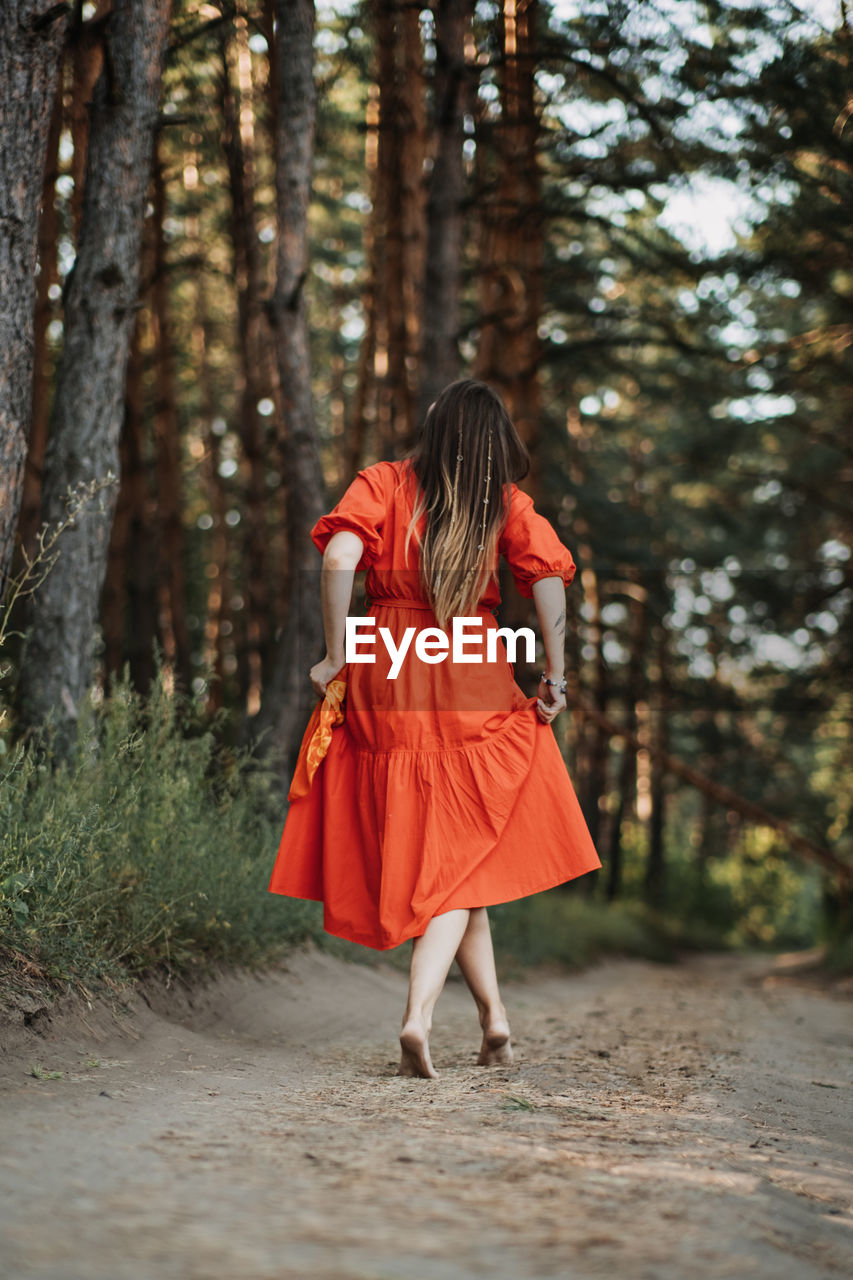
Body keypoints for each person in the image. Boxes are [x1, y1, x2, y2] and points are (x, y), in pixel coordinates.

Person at [268, 379, 600, 1078]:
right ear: (494, 442)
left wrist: (335, 654)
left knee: (458, 857)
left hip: (388, 664)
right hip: (468, 667)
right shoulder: (501, 504)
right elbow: (548, 577)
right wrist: (555, 674)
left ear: (433, 425)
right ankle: (417, 1019)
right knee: (452, 860)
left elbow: (337, 557)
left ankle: (493, 1022)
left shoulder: (383, 481)